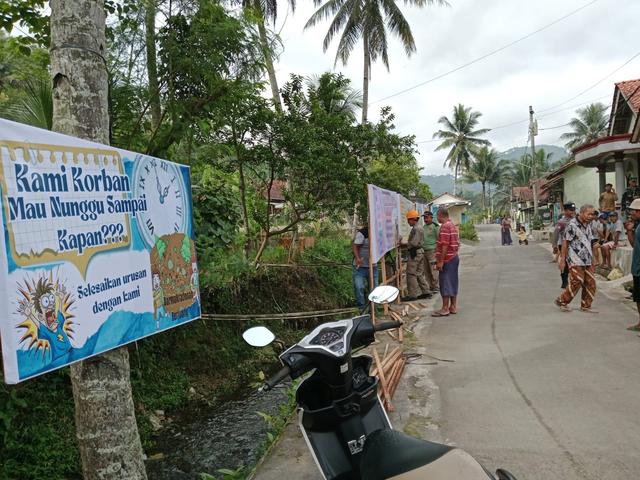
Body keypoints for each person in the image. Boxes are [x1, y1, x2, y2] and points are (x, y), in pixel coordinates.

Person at [555, 204, 600, 313]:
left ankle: (586, 305)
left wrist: (594, 257)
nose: (591, 216)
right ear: (581, 213)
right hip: (575, 259)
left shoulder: (589, 225)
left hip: (587, 259)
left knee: (591, 282)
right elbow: (565, 242)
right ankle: (562, 301)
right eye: (588, 214)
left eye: (592, 214)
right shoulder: (572, 225)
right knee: (577, 281)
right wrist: (562, 259)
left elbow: (590, 242)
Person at [432, 207, 460, 317]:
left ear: (440, 215)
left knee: (445, 283)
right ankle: (453, 306)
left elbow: (444, 245)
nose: (437, 218)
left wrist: (441, 261)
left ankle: (445, 308)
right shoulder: (452, 225)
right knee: (453, 282)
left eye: (437, 216)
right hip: (454, 257)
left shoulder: (444, 227)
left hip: (448, 259)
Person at [403, 210, 431, 301]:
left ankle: (412, 294)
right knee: (419, 273)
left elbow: (414, 243)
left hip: (415, 253)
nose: (408, 222)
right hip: (419, 252)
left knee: (411, 273)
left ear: (413, 219)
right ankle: (426, 291)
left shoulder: (417, 229)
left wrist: (404, 244)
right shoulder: (419, 227)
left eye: (408, 220)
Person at [352, 226, 377, 309]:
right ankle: (361, 309)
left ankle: (373, 310)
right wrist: (358, 258)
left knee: (374, 289)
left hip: (373, 266)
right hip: (360, 267)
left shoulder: (379, 232)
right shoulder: (363, 233)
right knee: (359, 287)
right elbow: (355, 246)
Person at [624, 199, 640, 331]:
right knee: (638, 298)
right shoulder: (638, 226)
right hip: (637, 268)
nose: (631, 214)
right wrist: (629, 231)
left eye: (633, 211)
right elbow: (635, 244)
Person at [553, 202, 576, 289]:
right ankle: (564, 280)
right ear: (565, 211)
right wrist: (554, 245)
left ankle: (575, 280)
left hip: (574, 245)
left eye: (573, 210)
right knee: (565, 263)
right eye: (571, 210)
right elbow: (556, 233)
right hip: (563, 245)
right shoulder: (561, 222)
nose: (573, 212)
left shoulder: (576, 220)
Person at [422, 211, 439, 292]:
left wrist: (437, 250)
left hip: (432, 251)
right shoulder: (424, 227)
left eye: (426, 217)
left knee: (433, 269)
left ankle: (435, 286)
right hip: (424, 251)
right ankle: (430, 286)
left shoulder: (435, 227)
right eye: (424, 217)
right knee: (426, 270)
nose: (425, 219)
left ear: (431, 217)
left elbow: (439, 239)